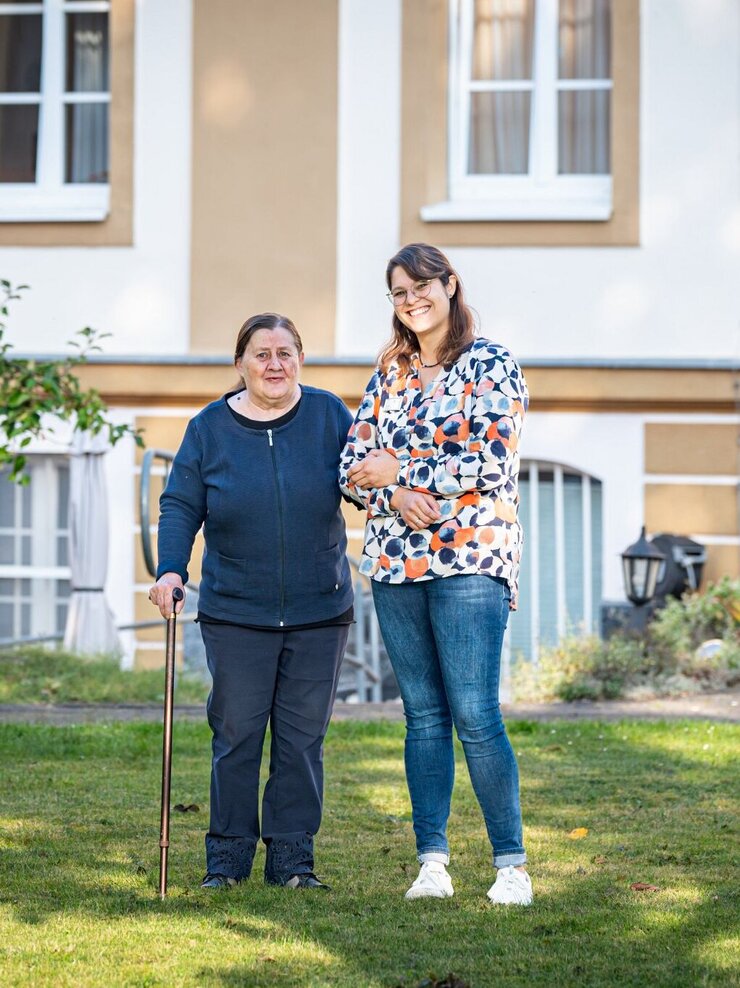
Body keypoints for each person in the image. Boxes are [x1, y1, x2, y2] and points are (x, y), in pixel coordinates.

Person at [339, 243, 532, 906]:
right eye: (398, 292)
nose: (411, 299)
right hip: (395, 559)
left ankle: (511, 866)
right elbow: (350, 466)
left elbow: (489, 458)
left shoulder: (491, 364)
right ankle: (432, 865)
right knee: (422, 715)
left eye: (421, 285)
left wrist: (403, 471)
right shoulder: (388, 372)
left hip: (471, 556)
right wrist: (391, 495)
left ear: (449, 284)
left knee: (475, 711)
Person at [149, 312, 353, 891]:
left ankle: (292, 862)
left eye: (285, 353)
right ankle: (228, 861)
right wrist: (170, 570)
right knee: (236, 733)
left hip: (321, 610)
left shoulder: (329, 416)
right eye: (261, 354)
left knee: (301, 740)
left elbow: (364, 482)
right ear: (239, 364)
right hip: (236, 611)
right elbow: (180, 504)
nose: (274, 364)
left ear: (301, 361)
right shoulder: (209, 427)